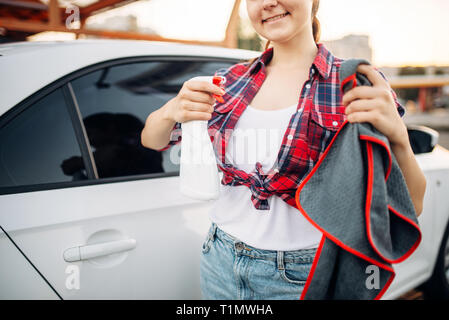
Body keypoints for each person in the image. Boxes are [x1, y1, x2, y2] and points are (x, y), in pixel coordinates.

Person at [141, 0, 426, 300]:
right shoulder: (228, 82)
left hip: (302, 276)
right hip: (220, 258)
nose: (268, 3)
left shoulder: (353, 83)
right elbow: (152, 139)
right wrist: (172, 110)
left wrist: (399, 139)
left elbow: (413, 204)